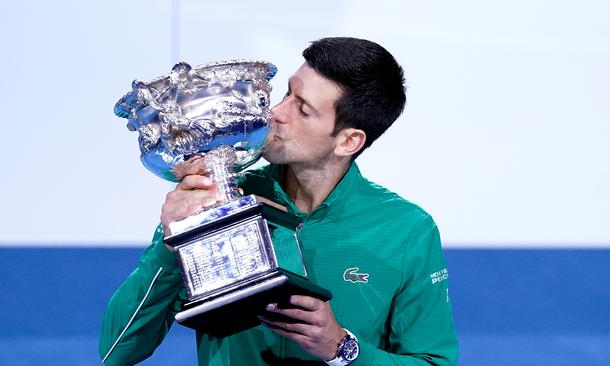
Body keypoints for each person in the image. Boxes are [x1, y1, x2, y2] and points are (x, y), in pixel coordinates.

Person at [99, 37, 458, 366]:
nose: (276, 113)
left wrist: (342, 348)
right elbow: (117, 349)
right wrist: (168, 243)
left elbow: (433, 362)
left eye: (302, 110)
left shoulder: (406, 231)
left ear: (348, 141)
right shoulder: (213, 201)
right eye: (286, 93)